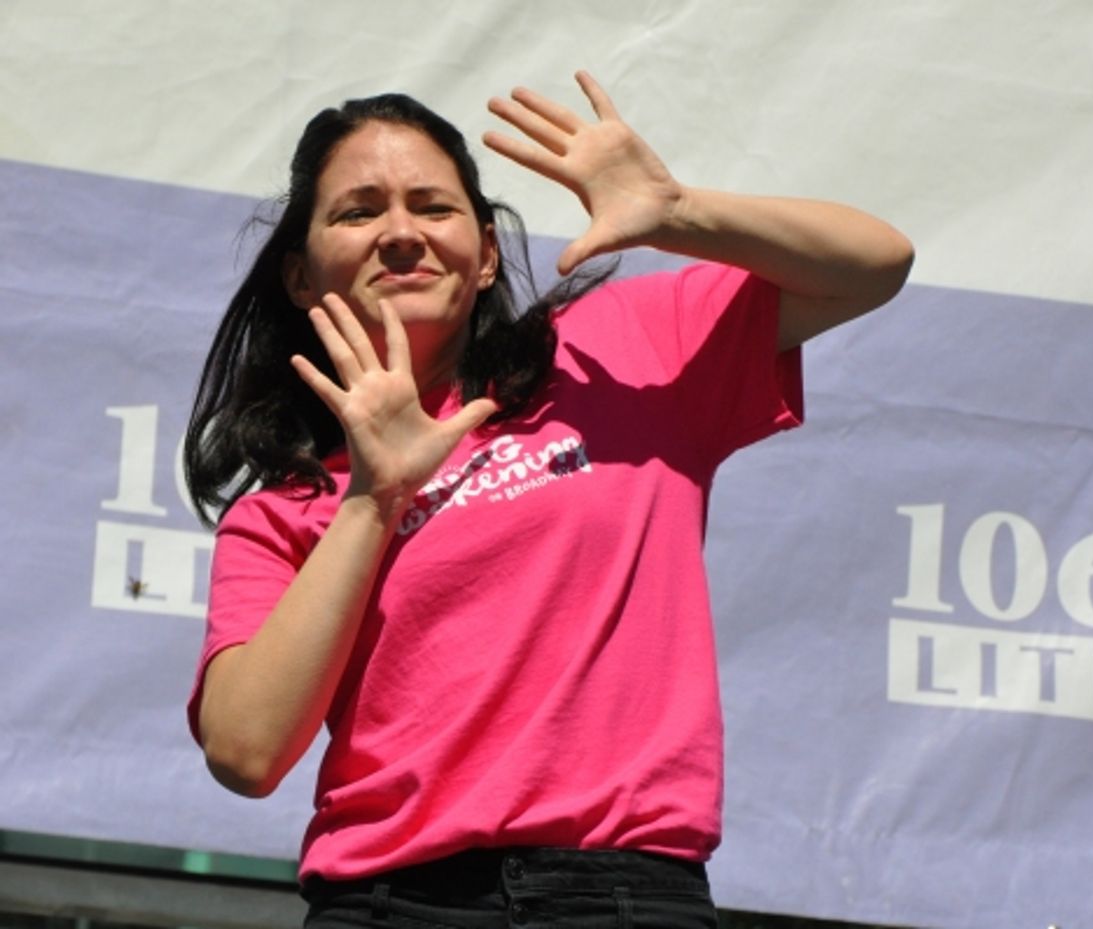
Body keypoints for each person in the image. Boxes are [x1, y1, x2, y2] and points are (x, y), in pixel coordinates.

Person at [185, 71, 912, 928]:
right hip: (390, 901)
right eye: (357, 211)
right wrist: (374, 497)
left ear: (487, 253)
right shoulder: (286, 509)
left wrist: (676, 207)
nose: (401, 233)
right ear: (302, 277)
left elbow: (874, 263)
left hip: (621, 893)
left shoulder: (618, 348)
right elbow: (246, 749)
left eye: (433, 206)